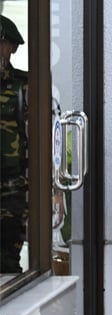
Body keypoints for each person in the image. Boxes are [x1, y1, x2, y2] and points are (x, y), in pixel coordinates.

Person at [0, 15, 28, 275]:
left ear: (13, 47)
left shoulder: (24, 86)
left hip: (11, 187)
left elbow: (41, 139)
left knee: (7, 261)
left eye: (1, 43)